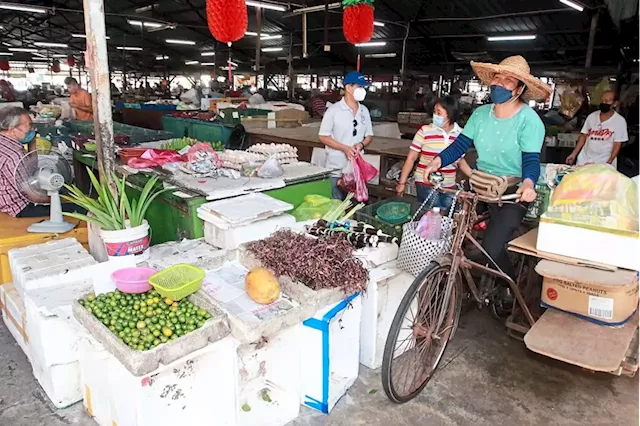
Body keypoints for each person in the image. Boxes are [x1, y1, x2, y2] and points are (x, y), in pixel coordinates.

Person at [422, 55, 552, 278]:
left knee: (491, 248)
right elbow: (460, 146)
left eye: (508, 80)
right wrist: (437, 161)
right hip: (480, 185)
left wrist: (528, 184)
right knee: (454, 231)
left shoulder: (529, 120)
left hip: (513, 191)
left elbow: (531, 160)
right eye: (497, 77)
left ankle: (507, 284)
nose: (499, 83)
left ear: (519, 89)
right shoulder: (480, 115)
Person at [396, 96, 471, 210]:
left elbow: (460, 161)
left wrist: (474, 177)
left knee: (446, 218)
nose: (435, 115)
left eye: (439, 112)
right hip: (425, 182)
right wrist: (402, 183)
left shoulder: (460, 134)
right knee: (432, 215)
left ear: (450, 114)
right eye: (434, 112)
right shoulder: (425, 131)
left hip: (449, 185)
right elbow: (411, 158)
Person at [318, 71, 374, 199]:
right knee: (335, 205)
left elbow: (369, 135)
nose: (362, 90)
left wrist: (361, 144)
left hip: (356, 170)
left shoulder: (364, 111)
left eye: (363, 87)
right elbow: (323, 136)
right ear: (348, 88)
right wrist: (344, 148)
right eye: (359, 87)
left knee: (354, 205)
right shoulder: (333, 111)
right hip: (335, 168)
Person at [566, 90, 628, 168]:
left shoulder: (619, 121)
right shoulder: (591, 117)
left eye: (607, 101)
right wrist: (574, 154)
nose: (603, 103)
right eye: (602, 100)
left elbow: (617, 144)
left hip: (604, 161)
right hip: (584, 159)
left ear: (615, 103)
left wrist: (609, 162)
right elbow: (583, 136)